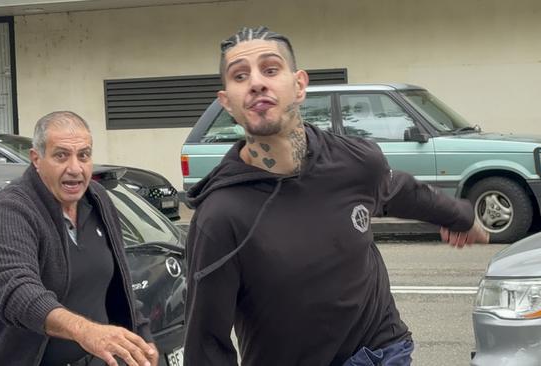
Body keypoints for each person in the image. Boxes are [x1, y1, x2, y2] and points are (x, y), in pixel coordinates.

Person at [184, 26, 489, 366]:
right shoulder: (220, 217)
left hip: (381, 352)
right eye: (240, 75)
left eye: (270, 69)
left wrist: (461, 217)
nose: (256, 82)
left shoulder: (355, 161)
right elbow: (206, 342)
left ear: (299, 85)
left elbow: (400, 190)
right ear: (226, 102)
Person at [0, 111, 158, 366]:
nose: (75, 168)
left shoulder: (97, 199)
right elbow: (19, 291)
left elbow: (118, 283)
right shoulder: (9, 211)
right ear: (36, 159)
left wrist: (142, 338)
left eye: (83, 155)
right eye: (61, 155)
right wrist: (86, 331)